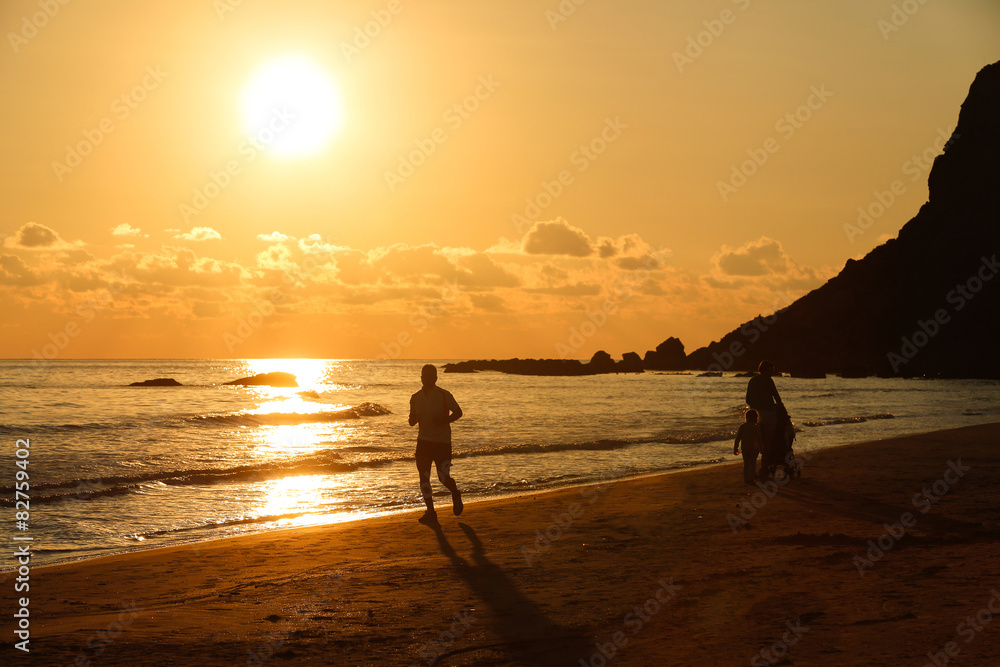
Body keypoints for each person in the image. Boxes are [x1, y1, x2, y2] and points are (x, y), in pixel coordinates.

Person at [409, 364, 463, 524]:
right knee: (423, 477)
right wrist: (412, 420)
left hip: (442, 442)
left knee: (442, 477)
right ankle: (431, 512)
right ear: (421, 378)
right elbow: (413, 418)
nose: (427, 378)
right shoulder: (415, 397)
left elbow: (458, 412)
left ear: (436, 378)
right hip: (423, 442)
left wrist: (444, 420)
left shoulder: (444, 395)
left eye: (430, 376)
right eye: (425, 376)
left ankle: (455, 493)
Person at [745, 360, 783, 474]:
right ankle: (763, 468)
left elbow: (748, 400)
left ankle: (751, 469)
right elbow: (776, 397)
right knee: (767, 442)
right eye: (771, 370)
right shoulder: (768, 380)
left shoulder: (752, 381)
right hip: (768, 414)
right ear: (767, 370)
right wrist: (780, 408)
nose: (772, 372)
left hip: (754, 415)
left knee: (755, 443)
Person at [734, 409, 763, 484]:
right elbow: (759, 440)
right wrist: (761, 449)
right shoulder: (755, 427)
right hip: (753, 448)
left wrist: (735, 448)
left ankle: (746, 479)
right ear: (755, 418)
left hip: (744, 448)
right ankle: (751, 478)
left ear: (746, 417)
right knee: (752, 463)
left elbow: (738, 439)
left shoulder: (742, 427)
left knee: (746, 463)